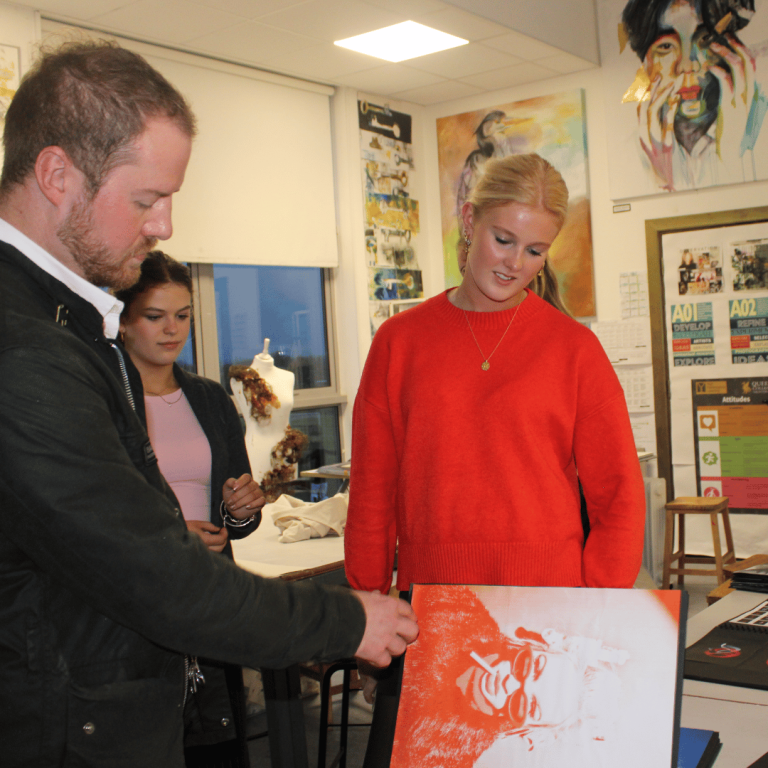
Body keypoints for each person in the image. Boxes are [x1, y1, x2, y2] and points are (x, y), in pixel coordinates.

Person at [0, 39, 417, 767]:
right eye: (146, 200)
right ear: (57, 175)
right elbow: (153, 576)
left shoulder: (70, 325)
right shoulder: (25, 348)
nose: (163, 226)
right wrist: (345, 620)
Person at [344, 153, 645, 765]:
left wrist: (596, 605)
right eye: (503, 239)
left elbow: (619, 495)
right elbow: (373, 492)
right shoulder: (400, 342)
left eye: (535, 251)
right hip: (428, 612)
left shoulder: (574, 350)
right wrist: (367, 604)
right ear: (467, 220)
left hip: (548, 613)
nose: (514, 263)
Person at [116, 251, 263, 767]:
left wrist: (240, 508)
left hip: (209, 597)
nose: (172, 329)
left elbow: (239, 520)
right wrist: (172, 538)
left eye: (182, 315)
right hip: (139, 605)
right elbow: (93, 513)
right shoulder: (106, 402)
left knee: (218, 745)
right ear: (123, 319)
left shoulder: (209, 398)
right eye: (155, 316)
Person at [622, 0, 764, 191]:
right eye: (666, 46)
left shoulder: (760, 127)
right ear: (645, 63)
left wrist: (734, 155)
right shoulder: (631, 154)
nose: (687, 66)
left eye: (705, 39)